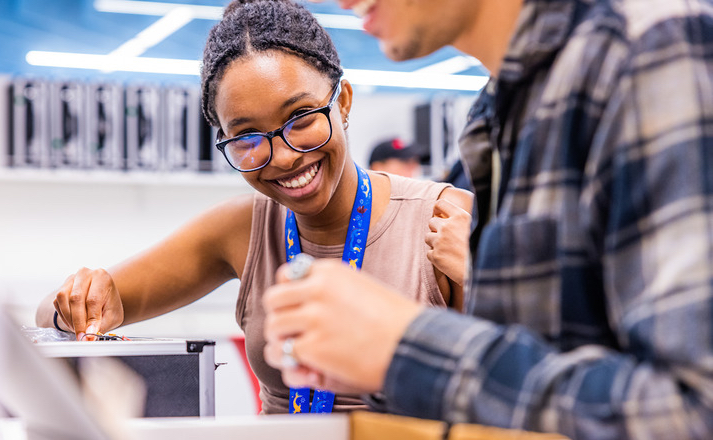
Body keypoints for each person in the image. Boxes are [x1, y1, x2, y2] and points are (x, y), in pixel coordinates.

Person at [263, 0, 713, 438]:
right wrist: (380, 362)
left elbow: (695, 410)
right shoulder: (502, 110)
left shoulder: (646, 48)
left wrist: (411, 350)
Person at [35, 0, 472, 415]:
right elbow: (52, 313)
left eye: (301, 119)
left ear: (342, 102)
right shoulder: (242, 227)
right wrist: (78, 303)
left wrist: (474, 277)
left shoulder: (443, 220)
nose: (282, 157)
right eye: (246, 139)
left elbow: (524, 381)